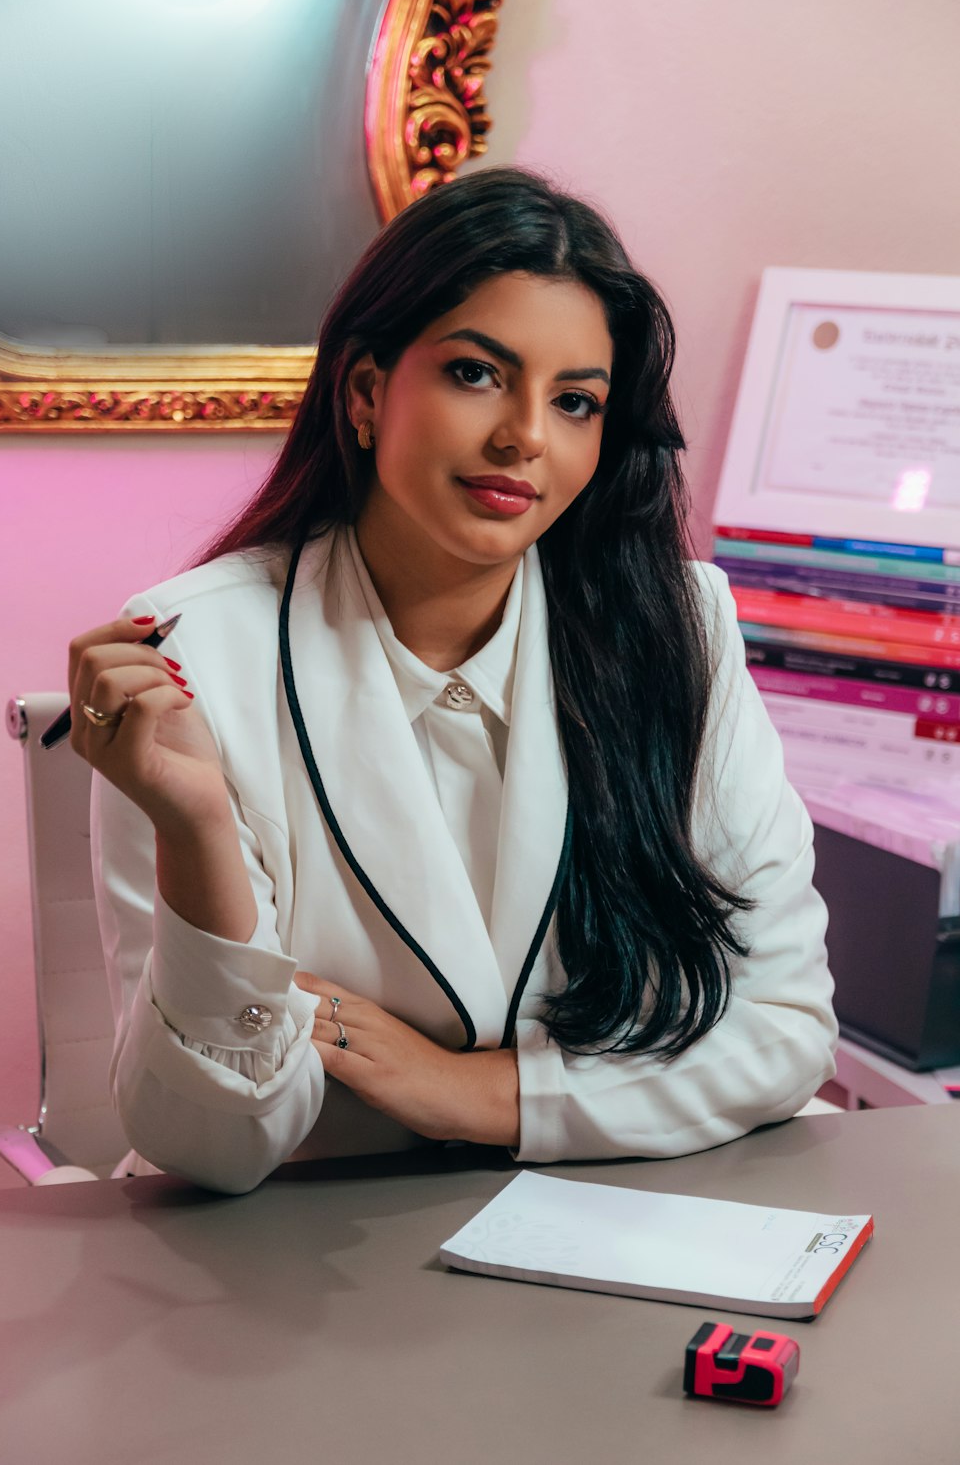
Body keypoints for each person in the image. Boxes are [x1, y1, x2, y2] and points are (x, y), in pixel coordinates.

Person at [69, 167, 836, 1194]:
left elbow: (784, 1028)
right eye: (478, 374)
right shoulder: (197, 654)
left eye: (575, 402)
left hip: (593, 1225)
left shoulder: (681, 627)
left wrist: (473, 1092)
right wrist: (198, 832)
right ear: (365, 391)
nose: (525, 436)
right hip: (282, 1273)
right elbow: (212, 1147)